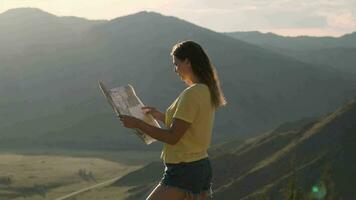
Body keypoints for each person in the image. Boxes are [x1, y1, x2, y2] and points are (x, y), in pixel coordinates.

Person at [119, 40, 226, 200]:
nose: (175, 69)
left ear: (187, 62)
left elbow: (173, 137)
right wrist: (159, 116)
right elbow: (188, 126)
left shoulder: (191, 94)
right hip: (199, 165)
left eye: (176, 64)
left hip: (185, 169)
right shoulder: (205, 90)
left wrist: (137, 124)